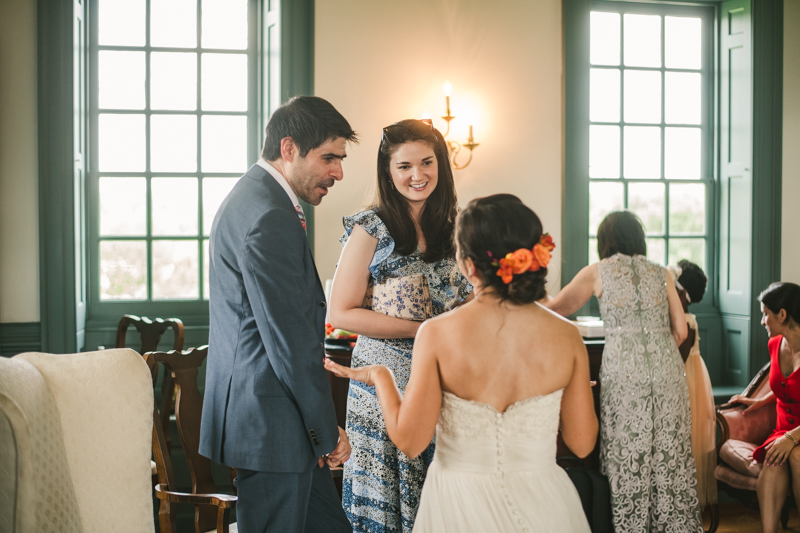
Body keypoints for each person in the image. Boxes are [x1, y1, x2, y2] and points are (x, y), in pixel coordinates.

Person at [327, 194, 597, 532]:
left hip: (459, 504)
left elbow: (410, 442)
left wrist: (381, 377)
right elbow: (583, 443)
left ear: (468, 265)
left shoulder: (438, 334)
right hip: (544, 503)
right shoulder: (566, 336)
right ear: (533, 256)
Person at [199, 96, 358, 533]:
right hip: (273, 426)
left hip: (275, 422)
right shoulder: (269, 213)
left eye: (340, 159)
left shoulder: (257, 197)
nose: (338, 172)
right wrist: (326, 433)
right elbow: (288, 343)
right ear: (289, 148)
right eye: (328, 157)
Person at [328, 118, 472, 532]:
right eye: (404, 166)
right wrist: (422, 330)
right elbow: (341, 313)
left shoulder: (455, 225)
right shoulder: (370, 227)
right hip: (384, 380)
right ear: (388, 173)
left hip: (445, 377)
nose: (417, 175)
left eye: (426, 163)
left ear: (440, 165)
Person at [544, 210, 703, 532]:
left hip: (624, 371)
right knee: (669, 452)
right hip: (667, 369)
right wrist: (658, 353)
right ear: (638, 239)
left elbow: (557, 308)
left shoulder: (598, 271)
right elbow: (681, 331)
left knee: (628, 450)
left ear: (604, 241)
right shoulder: (662, 272)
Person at [728, 282, 800, 533]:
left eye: (765, 314)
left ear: (782, 315)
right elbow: (787, 386)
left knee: (797, 456)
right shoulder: (775, 345)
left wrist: (792, 439)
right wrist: (759, 401)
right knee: (773, 461)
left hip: (797, 435)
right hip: (783, 431)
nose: (762, 321)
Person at [670, 260, 717, 510]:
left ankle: (684, 503)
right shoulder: (682, 318)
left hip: (686, 385)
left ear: (680, 292)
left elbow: (677, 361)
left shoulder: (686, 321)